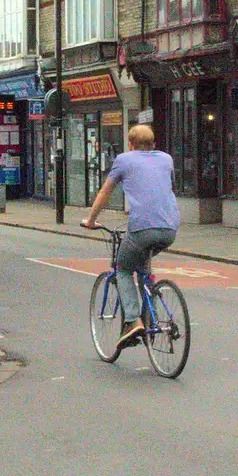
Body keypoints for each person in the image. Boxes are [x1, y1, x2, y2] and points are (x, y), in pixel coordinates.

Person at [81, 123, 180, 350]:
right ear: (153, 143)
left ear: (131, 144)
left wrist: (91, 220)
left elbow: (105, 191)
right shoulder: (166, 159)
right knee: (144, 270)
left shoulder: (124, 160)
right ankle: (150, 321)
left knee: (123, 268)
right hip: (169, 228)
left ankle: (132, 321)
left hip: (142, 227)